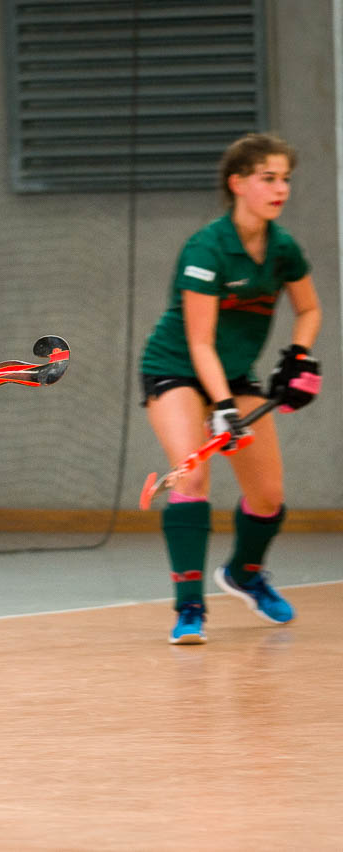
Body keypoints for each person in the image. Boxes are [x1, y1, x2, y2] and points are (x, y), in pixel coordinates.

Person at [140, 133, 322, 645]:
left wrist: (299, 356)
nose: (280, 188)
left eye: (285, 179)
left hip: (235, 373)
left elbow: (309, 308)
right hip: (176, 367)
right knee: (193, 477)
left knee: (268, 496)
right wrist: (221, 407)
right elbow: (200, 342)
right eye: (268, 178)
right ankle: (189, 607)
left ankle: (244, 573)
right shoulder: (207, 248)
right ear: (238, 183)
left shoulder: (283, 249)